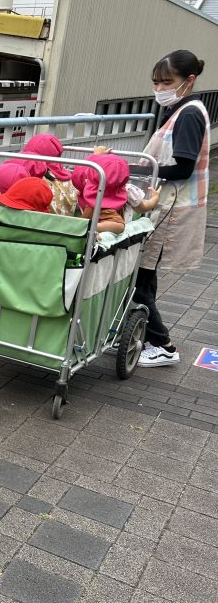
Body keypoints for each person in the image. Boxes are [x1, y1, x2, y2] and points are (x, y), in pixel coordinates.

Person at [134, 49, 211, 367]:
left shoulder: (189, 113)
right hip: (166, 204)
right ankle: (143, 335)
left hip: (172, 208)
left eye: (167, 81)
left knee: (138, 278)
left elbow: (181, 168)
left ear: (188, 80)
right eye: (156, 82)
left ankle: (162, 344)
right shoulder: (181, 110)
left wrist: (134, 171)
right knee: (144, 275)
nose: (160, 88)